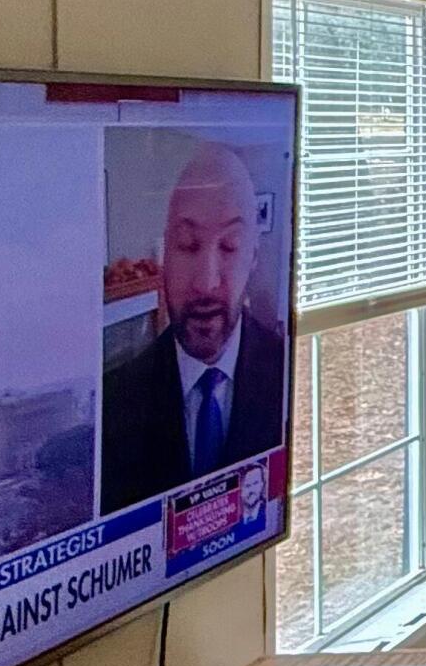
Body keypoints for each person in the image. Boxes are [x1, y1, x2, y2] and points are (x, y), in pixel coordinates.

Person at [100, 145, 287, 514]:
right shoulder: (116, 401)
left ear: (252, 258)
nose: (206, 282)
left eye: (230, 247)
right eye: (188, 246)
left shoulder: (283, 372)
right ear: (165, 256)